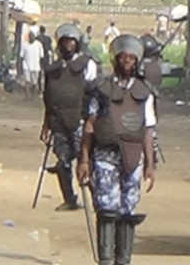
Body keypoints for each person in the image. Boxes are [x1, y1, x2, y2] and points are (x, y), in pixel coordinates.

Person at [77, 34, 156, 265]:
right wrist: (83, 159)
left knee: (128, 210)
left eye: (132, 58)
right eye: (123, 57)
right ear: (115, 59)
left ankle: (124, 259)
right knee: (107, 207)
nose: (127, 62)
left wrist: (150, 164)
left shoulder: (145, 92)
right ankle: (106, 260)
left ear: (137, 61)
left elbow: (149, 129)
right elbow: (89, 125)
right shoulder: (101, 90)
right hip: (105, 154)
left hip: (133, 155)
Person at [40, 23, 98, 211]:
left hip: (80, 121)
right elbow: (48, 98)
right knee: (63, 161)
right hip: (58, 121)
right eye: (64, 42)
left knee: (86, 160)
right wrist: (46, 124)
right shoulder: (53, 70)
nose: (67, 46)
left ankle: (99, 199)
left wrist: (91, 120)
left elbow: (95, 95)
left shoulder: (86, 64)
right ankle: (70, 199)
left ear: (77, 44)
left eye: (71, 42)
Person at [139, 33, 163, 164]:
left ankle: (150, 153)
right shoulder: (154, 67)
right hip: (150, 103)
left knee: (148, 128)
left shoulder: (145, 68)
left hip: (145, 102)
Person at [21, 31, 44, 100]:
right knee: (27, 81)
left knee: (34, 82)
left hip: (36, 66)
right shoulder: (24, 45)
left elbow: (41, 56)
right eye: (30, 36)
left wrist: (42, 67)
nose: (31, 38)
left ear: (34, 37)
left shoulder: (39, 45)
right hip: (26, 66)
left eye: (32, 36)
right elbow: (21, 56)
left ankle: (33, 95)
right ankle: (27, 96)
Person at [36, 26, 53, 92]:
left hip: (39, 56)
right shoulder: (48, 38)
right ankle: (46, 87)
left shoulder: (37, 38)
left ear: (40, 31)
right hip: (46, 56)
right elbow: (50, 48)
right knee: (47, 72)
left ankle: (40, 87)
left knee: (39, 72)